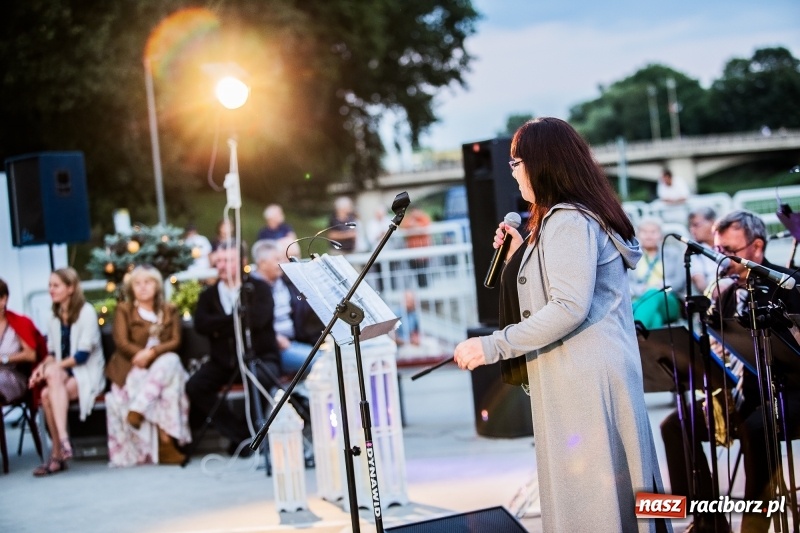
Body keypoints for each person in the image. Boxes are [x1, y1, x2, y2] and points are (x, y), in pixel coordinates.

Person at [453, 117, 669, 533]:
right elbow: (553, 294)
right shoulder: (567, 218)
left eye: (517, 162)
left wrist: (495, 345)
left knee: (594, 502)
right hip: (585, 372)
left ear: (542, 163)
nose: (513, 171)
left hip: (584, 376)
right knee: (600, 497)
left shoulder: (568, 220)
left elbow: (568, 306)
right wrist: (520, 255)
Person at [660, 210, 800, 533]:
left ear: (757, 248)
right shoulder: (721, 292)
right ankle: (708, 523)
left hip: (788, 393)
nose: (722, 261)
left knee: (757, 426)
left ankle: (755, 526)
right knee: (675, 424)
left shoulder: (788, 286)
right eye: (718, 251)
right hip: (742, 395)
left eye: (730, 253)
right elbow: (716, 354)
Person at [186, 243, 281, 454]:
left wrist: (220, 326)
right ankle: (240, 435)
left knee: (262, 380)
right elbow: (202, 324)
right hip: (224, 362)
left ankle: (257, 434)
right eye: (218, 261)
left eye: (227, 260)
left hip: (259, 357)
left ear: (242, 262)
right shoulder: (208, 296)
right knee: (196, 386)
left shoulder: (259, 289)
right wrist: (236, 319)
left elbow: (258, 320)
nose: (221, 265)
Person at [105, 265, 191, 467]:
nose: (143, 287)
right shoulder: (124, 310)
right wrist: (141, 354)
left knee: (171, 361)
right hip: (132, 369)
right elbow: (121, 342)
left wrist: (152, 353)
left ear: (157, 285)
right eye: (137, 283)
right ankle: (166, 444)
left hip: (160, 367)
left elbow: (175, 341)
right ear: (131, 288)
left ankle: (138, 409)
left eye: (148, 282)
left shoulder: (169, 310)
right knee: (170, 381)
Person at [28, 268, 105, 476]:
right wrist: (42, 368)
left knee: (47, 394)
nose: (50, 290)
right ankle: (62, 444)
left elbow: (82, 356)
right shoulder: (52, 316)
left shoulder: (86, 311)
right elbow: (52, 353)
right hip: (63, 374)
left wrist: (50, 369)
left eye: (56, 285)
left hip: (86, 371)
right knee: (48, 387)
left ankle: (57, 451)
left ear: (70, 288)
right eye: (50, 285)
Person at [250, 239, 324, 375]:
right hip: (275, 349)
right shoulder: (252, 289)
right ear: (262, 263)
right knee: (322, 363)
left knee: (330, 356)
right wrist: (275, 338)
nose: (281, 263)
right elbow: (254, 323)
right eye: (277, 259)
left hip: (297, 340)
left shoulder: (284, 282)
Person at [629, 218, 685, 330]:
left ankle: (635, 331)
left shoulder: (673, 253)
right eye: (644, 232)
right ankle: (649, 344)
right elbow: (626, 282)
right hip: (640, 299)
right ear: (638, 235)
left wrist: (664, 285)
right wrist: (638, 289)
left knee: (653, 292)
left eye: (653, 232)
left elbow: (680, 281)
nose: (649, 236)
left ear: (661, 235)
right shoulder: (631, 256)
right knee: (655, 318)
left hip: (668, 300)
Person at [0, 278, 42, 404]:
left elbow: (31, 355)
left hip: (13, 375)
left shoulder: (19, 322)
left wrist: (3, 359)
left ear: (4, 299)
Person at [687, 207, 718, 294]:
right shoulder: (693, 251)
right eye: (690, 226)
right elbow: (700, 284)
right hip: (712, 297)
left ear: (712, 223)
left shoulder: (729, 244)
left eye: (696, 225)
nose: (692, 230)